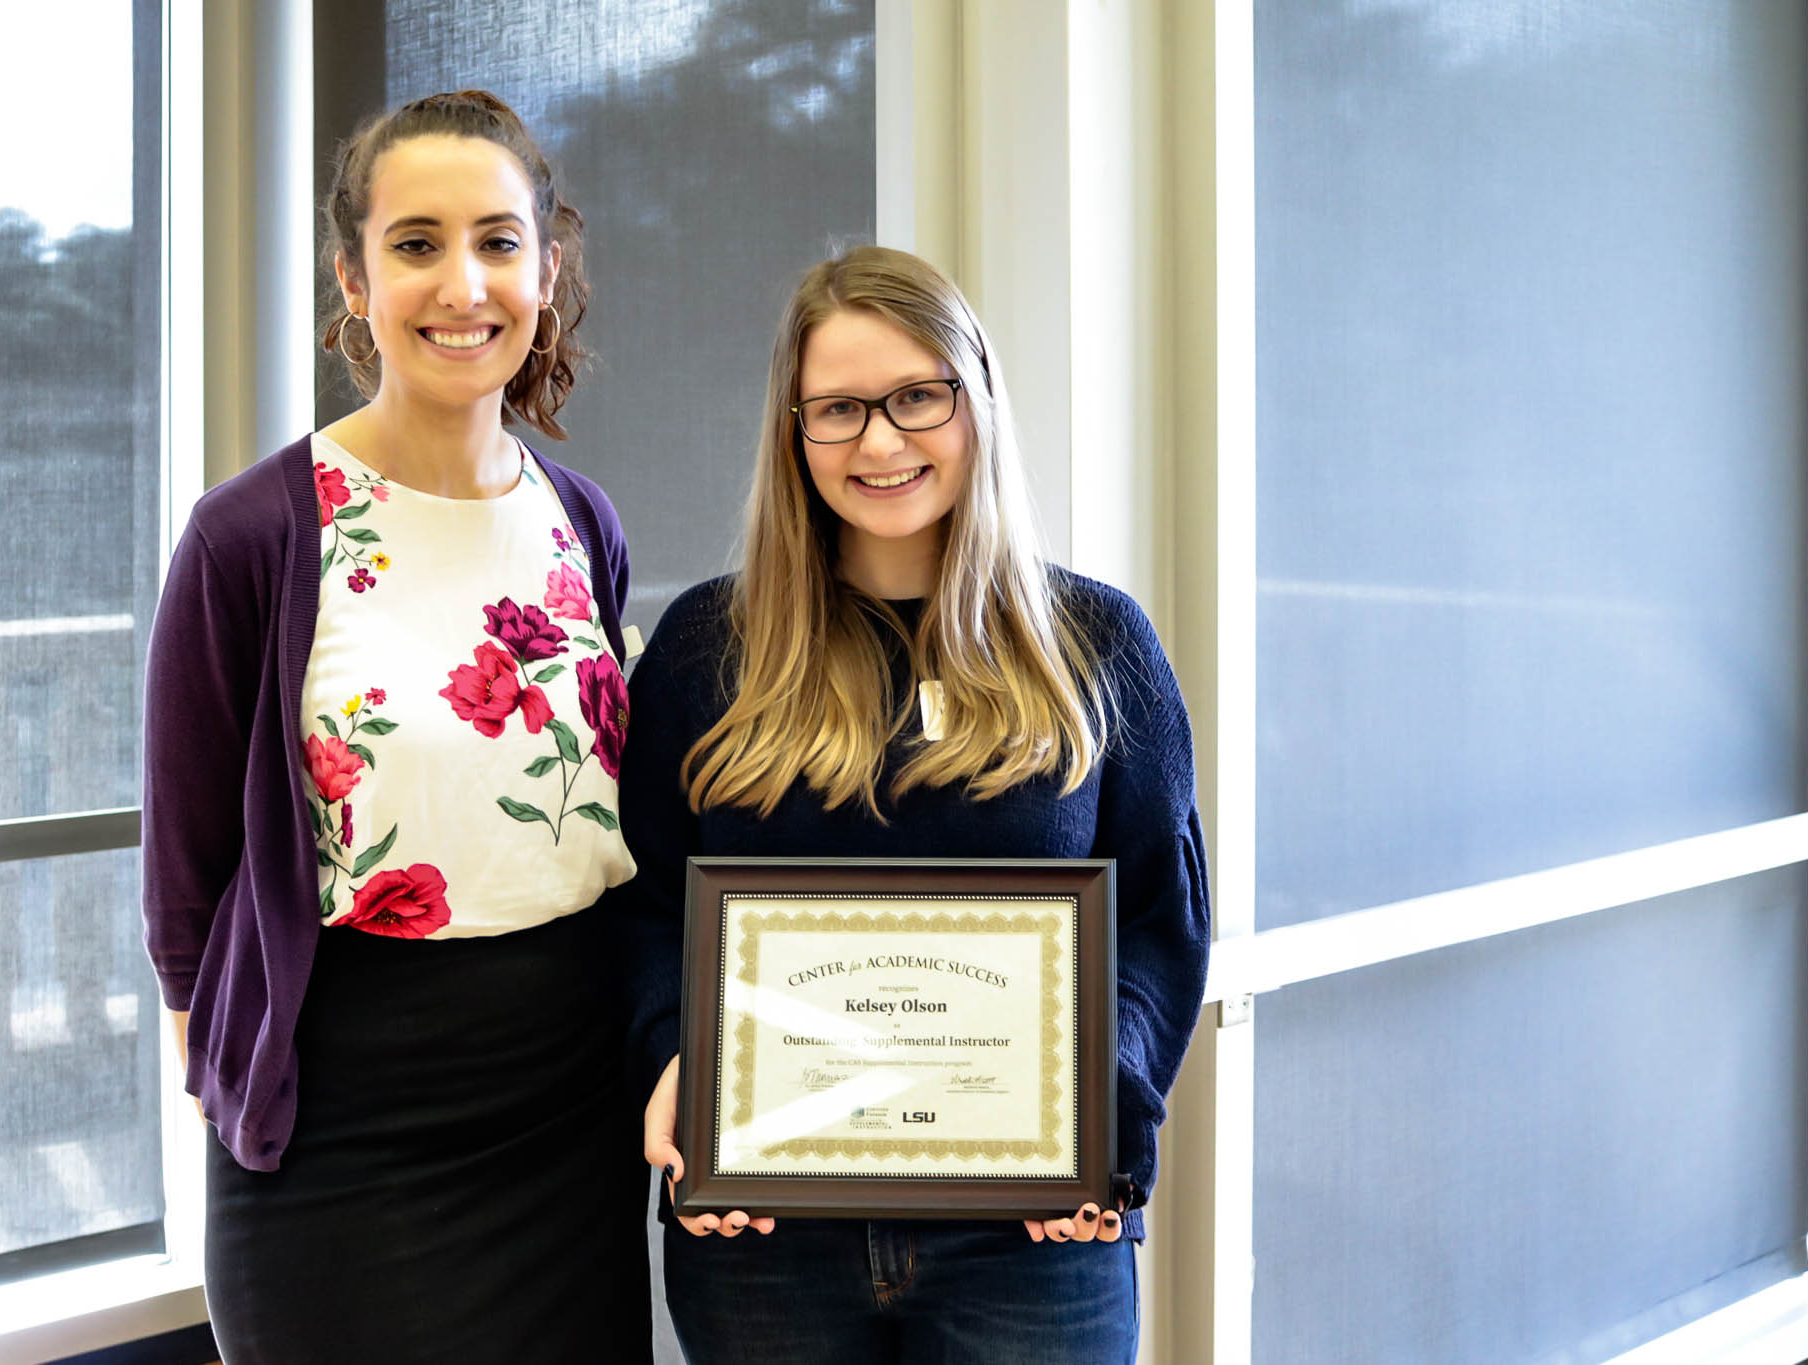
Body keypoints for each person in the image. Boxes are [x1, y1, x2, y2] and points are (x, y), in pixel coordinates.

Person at [616, 245, 1210, 1363]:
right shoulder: (708, 650)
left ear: (975, 398)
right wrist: (672, 1063)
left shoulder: (1095, 646)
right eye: (837, 409)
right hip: (761, 1235)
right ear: (793, 432)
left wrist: (1102, 1115)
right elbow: (646, 905)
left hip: (1028, 1237)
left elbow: (1156, 925)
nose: (879, 443)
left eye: (916, 397)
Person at [141, 90, 651, 1363]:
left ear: (545, 268)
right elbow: (188, 875)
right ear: (353, 281)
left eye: (496, 239)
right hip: (338, 1119)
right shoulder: (251, 535)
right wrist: (225, 1078)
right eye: (414, 243)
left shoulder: (579, 522)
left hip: (568, 1110)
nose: (460, 282)